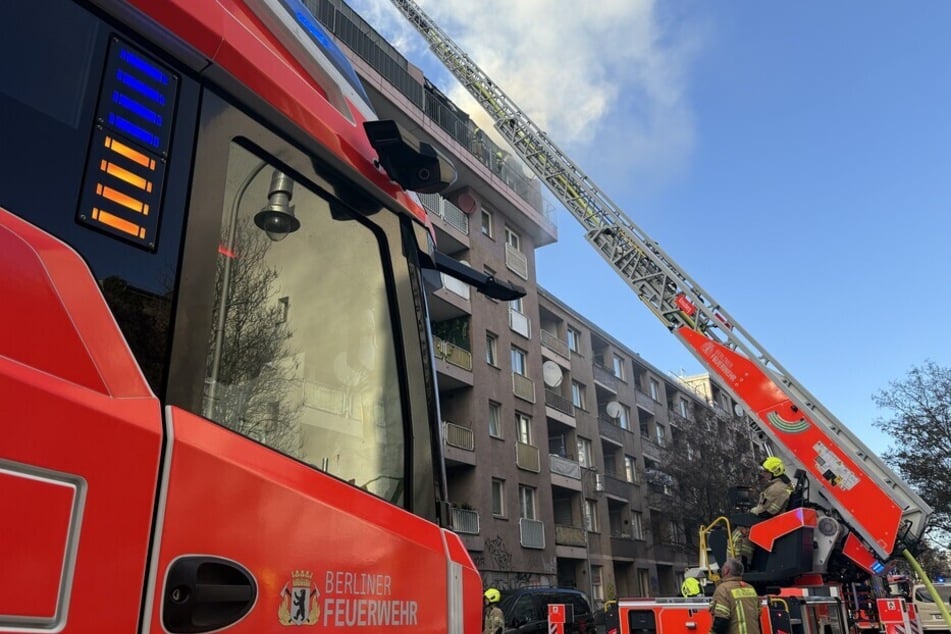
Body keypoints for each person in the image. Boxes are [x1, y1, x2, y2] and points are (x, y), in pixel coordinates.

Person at [708, 558, 761, 634]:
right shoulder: (750, 588)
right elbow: (758, 614)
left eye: (722, 567)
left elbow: (721, 619)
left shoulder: (723, 589)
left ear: (726, 570)